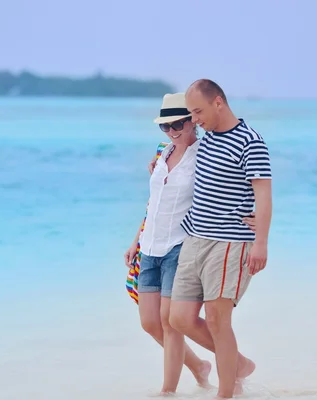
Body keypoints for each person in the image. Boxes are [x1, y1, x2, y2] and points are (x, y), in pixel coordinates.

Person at [166, 79, 273, 399]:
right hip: (195, 238)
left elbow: (264, 195)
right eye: (191, 113)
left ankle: (225, 394)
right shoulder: (207, 137)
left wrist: (261, 242)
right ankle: (237, 364)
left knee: (217, 319)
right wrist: (158, 161)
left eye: (197, 111)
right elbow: (176, 148)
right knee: (179, 318)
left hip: (230, 242)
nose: (194, 119)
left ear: (218, 103)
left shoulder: (250, 141)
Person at [124, 92, 211, 395]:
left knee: (169, 321)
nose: (173, 131)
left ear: (192, 121)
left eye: (178, 124)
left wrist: (250, 217)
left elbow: (228, 188)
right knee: (150, 323)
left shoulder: (205, 156)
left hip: (179, 246)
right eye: (166, 126)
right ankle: (200, 366)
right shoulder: (162, 152)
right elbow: (154, 202)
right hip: (149, 246)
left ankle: (167, 392)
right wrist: (136, 240)